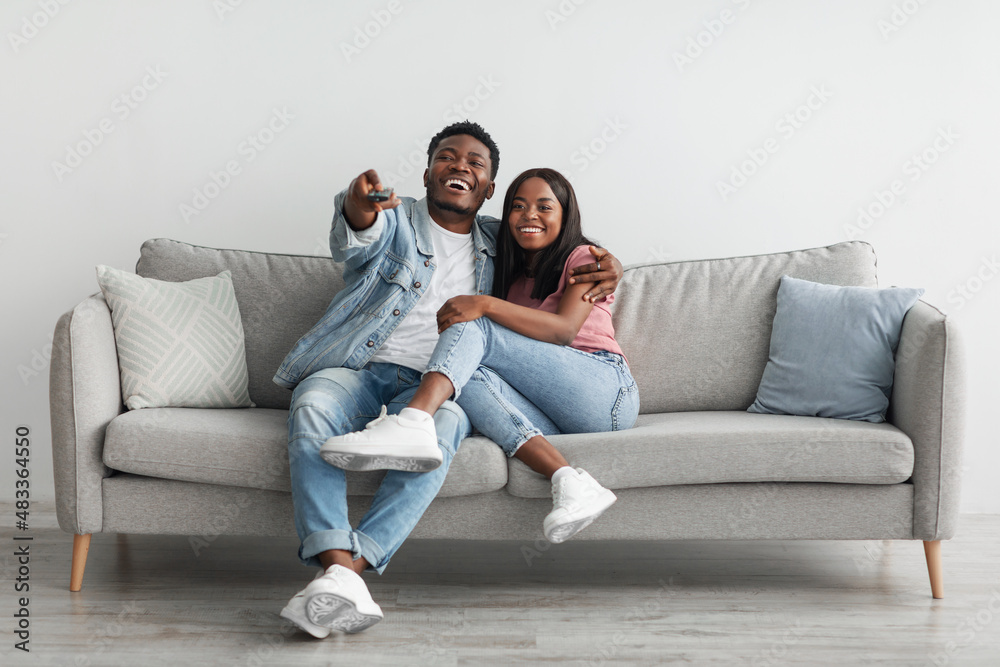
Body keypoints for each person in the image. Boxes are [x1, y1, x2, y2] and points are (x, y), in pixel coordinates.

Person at [272, 121, 624, 638]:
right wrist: (358, 199)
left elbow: (558, 248)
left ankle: (350, 567)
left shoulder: (500, 243)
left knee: (443, 428)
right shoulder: (396, 222)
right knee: (312, 406)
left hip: (443, 386)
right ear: (428, 172)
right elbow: (355, 233)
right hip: (361, 371)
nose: (460, 165)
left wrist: (609, 263)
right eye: (447, 156)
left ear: (487, 192)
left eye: (476, 164)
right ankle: (340, 570)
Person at [321, 167, 639, 546]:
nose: (530, 215)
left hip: (605, 393)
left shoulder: (584, 258)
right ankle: (570, 480)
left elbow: (563, 330)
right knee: (464, 376)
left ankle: (413, 421)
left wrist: (485, 305)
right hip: (552, 410)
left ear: (565, 215)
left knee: (476, 322)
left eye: (544, 206)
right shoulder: (511, 271)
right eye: (518, 206)